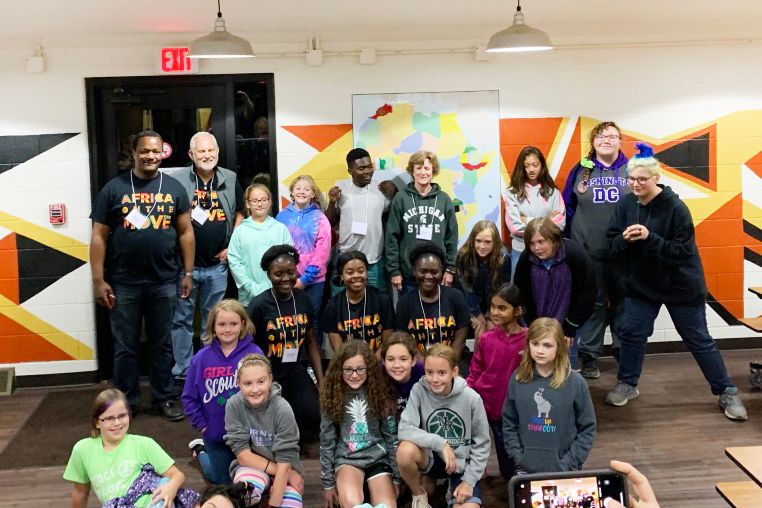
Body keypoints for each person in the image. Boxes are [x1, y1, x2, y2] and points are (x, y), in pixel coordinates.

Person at [604, 143, 748, 420]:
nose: (635, 184)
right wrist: (623, 240)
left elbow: (681, 252)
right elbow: (611, 243)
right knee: (632, 333)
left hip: (681, 285)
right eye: (631, 179)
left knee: (698, 338)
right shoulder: (625, 205)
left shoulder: (676, 208)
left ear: (656, 178)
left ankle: (726, 391)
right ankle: (627, 384)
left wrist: (650, 238)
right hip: (642, 286)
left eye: (642, 179)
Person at [90, 129, 192, 421]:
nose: (150, 156)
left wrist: (187, 272)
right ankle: (126, 402)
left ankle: (165, 397)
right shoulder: (114, 188)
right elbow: (99, 236)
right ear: (133, 153)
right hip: (124, 284)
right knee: (125, 346)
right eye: (144, 151)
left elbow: (186, 233)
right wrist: (98, 280)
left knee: (162, 344)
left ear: (163, 153)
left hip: (165, 281)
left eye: (155, 151)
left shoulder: (174, 188)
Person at [171, 131, 245, 390]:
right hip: (185, 268)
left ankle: (210, 369)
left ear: (217, 152)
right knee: (181, 320)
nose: (207, 156)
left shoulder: (230, 178)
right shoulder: (177, 180)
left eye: (211, 151)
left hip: (217, 266)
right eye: (201, 152)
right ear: (191, 155)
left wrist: (230, 246)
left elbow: (239, 214)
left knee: (213, 321)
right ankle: (182, 373)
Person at [562, 121, 630, 378]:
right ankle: (589, 354)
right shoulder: (581, 169)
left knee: (623, 302)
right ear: (593, 142)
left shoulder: (632, 168)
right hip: (588, 250)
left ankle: (624, 351)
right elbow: (567, 207)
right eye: (601, 136)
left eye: (612, 136)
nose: (606, 140)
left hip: (624, 251)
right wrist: (570, 246)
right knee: (593, 302)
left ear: (620, 141)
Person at [63, 388, 198, 507]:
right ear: (97, 422)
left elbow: (177, 475)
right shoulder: (83, 450)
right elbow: (80, 493)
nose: (117, 423)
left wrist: (171, 487)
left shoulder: (144, 444)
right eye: (109, 418)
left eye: (122, 416)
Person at [396, 344, 490, 508]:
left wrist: (469, 481)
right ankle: (419, 495)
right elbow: (404, 428)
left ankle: (448, 489)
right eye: (429, 372)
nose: (434, 379)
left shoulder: (472, 398)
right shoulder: (419, 390)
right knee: (405, 450)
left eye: (441, 373)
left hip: (462, 465)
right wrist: (440, 443)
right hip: (432, 458)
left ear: (454, 371)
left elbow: (481, 444)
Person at [181, 299, 264, 485]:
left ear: (242, 324)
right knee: (221, 481)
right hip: (215, 435)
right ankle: (201, 451)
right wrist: (203, 426)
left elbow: (267, 390)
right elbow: (188, 398)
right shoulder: (201, 359)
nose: (227, 329)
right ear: (213, 326)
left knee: (249, 483)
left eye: (233, 324)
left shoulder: (254, 353)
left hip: (249, 436)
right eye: (222, 324)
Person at [247, 244, 324, 442]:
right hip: (269, 373)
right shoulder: (259, 305)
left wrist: (321, 381)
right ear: (269, 275)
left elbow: (311, 340)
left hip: (296, 369)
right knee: (273, 425)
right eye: (278, 274)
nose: (285, 279)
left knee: (313, 416)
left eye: (290, 272)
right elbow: (249, 347)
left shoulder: (303, 299)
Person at [502, 318, 596, 474]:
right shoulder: (517, 379)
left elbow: (587, 428)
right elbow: (509, 422)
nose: (540, 350)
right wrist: (519, 457)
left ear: (559, 347)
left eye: (547, 345)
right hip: (525, 468)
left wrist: (569, 462)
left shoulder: (576, 383)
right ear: (528, 345)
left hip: (566, 469)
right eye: (535, 343)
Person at [320, 340, 399, 508]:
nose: (354, 375)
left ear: (369, 369)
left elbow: (391, 437)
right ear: (339, 370)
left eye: (360, 369)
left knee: (387, 505)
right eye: (348, 369)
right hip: (348, 459)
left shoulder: (380, 393)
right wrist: (328, 483)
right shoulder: (332, 394)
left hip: (378, 457)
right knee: (352, 503)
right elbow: (327, 441)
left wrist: (397, 477)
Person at [224, 354, 305, 508]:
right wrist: (284, 473)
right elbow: (243, 456)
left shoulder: (282, 409)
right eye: (247, 383)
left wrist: (274, 504)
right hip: (251, 466)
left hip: (284, 467)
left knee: (288, 504)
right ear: (238, 383)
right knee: (246, 493)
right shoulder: (233, 405)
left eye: (261, 382)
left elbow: (285, 462)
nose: (255, 389)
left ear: (270, 379)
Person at [465, 283, 527, 480]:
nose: (495, 312)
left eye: (502, 308)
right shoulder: (486, 339)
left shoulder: (529, 338)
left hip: (515, 410)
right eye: (493, 307)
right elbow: (475, 372)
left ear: (517, 311)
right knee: (497, 456)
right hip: (487, 406)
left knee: (512, 460)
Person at [513, 217, 596, 347]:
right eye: (531, 243)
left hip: (568, 328)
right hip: (537, 326)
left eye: (541, 241)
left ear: (554, 239)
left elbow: (587, 293)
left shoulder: (574, 254)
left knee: (565, 363)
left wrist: (570, 326)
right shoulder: (526, 259)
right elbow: (521, 294)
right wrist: (531, 325)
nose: (536, 248)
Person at [386, 150, 459, 294]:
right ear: (412, 171)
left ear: (433, 171)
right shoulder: (401, 199)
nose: (422, 173)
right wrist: (394, 271)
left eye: (427, 168)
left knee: (437, 316)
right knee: (409, 315)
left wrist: (450, 269)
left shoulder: (444, 200)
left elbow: (452, 238)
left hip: (438, 274)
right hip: (408, 275)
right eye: (418, 168)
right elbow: (392, 237)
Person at [326, 148, 397, 291]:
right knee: (342, 305)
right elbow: (330, 223)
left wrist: (395, 191)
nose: (368, 171)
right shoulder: (341, 187)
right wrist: (332, 202)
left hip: (374, 261)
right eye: (361, 168)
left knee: (377, 305)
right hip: (346, 260)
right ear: (350, 170)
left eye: (370, 166)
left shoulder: (381, 188)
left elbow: (393, 216)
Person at [395, 242, 470, 359]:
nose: (429, 276)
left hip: (453, 360)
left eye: (434, 272)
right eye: (423, 271)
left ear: (441, 272)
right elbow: (406, 341)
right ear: (414, 271)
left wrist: (446, 364)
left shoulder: (456, 296)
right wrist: (427, 367)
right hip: (419, 363)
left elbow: (460, 339)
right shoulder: (405, 302)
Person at [276, 175, 332, 331]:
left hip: (313, 282)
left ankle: (313, 355)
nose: (302, 192)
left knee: (311, 322)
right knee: (288, 322)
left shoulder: (320, 218)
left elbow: (322, 252)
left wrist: (306, 279)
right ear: (292, 192)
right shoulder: (281, 217)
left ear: (313, 194)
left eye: (307, 189)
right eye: (298, 188)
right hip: (286, 280)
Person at [504, 146, 566, 276]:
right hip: (521, 251)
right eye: (526, 166)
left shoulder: (553, 192)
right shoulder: (511, 193)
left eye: (535, 165)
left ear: (541, 166)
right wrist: (547, 221)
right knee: (519, 292)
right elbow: (515, 228)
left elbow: (559, 225)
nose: (531, 170)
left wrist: (527, 220)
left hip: (548, 252)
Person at [228, 183, 292, 305]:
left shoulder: (280, 229)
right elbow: (234, 261)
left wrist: (274, 284)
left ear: (270, 202)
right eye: (255, 200)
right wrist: (249, 286)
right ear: (248, 204)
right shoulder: (240, 231)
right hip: (248, 296)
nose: (259, 203)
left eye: (263, 200)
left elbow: (288, 259)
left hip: (277, 292)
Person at [321, 250, 395, 354]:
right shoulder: (333, 305)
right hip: (348, 364)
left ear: (367, 272)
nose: (356, 276)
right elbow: (339, 351)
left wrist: (372, 364)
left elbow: (387, 343)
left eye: (361, 271)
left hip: (378, 362)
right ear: (342, 276)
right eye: (350, 272)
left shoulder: (383, 300)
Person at [455, 220, 512, 341]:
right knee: (480, 332)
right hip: (469, 304)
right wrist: (477, 314)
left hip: (494, 303)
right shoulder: (463, 256)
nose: (482, 246)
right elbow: (467, 290)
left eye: (487, 242)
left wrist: (491, 313)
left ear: (495, 243)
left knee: (493, 330)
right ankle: (478, 360)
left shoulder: (504, 257)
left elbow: (502, 289)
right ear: (473, 240)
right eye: (478, 241)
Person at [381, 332, 425, 418]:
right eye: (390, 359)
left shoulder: (423, 374)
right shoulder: (378, 375)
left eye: (403, 359)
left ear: (413, 361)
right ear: (384, 361)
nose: (397, 365)